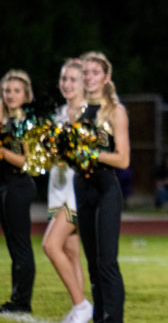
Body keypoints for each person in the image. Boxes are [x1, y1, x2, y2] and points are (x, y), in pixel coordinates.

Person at [74, 51, 130, 323]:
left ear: (106, 77)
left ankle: (113, 319)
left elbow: (123, 159)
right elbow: (76, 156)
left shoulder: (115, 111)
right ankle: (98, 318)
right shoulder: (79, 111)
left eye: (95, 72)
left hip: (106, 188)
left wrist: (90, 154)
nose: (89, 77)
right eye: (85, 73)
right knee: (93, 265)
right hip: (82, 188)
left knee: (107, 262)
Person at [42, 58, 93, 323]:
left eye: (73, 79)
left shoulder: (88, 112)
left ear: (84, 83)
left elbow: (87, 156)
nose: (67, 84)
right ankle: (80, 310)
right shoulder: (61, 112)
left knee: (50, 245)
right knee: (71, 252)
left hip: (76, 191)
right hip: (58, 189)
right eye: (64, 79)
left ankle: (82, 305)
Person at [0, 70, 37, 314]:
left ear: (26, 95)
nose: (10, 95)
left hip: (19, 187)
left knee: (20, 246)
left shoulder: (26, 122)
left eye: (15, 91)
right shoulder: (6, 122)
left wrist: (2, 152)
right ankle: (17, 299)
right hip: (5, 186)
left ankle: (22, 302)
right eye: (6, 90)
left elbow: (29, 162)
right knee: (13, 246)